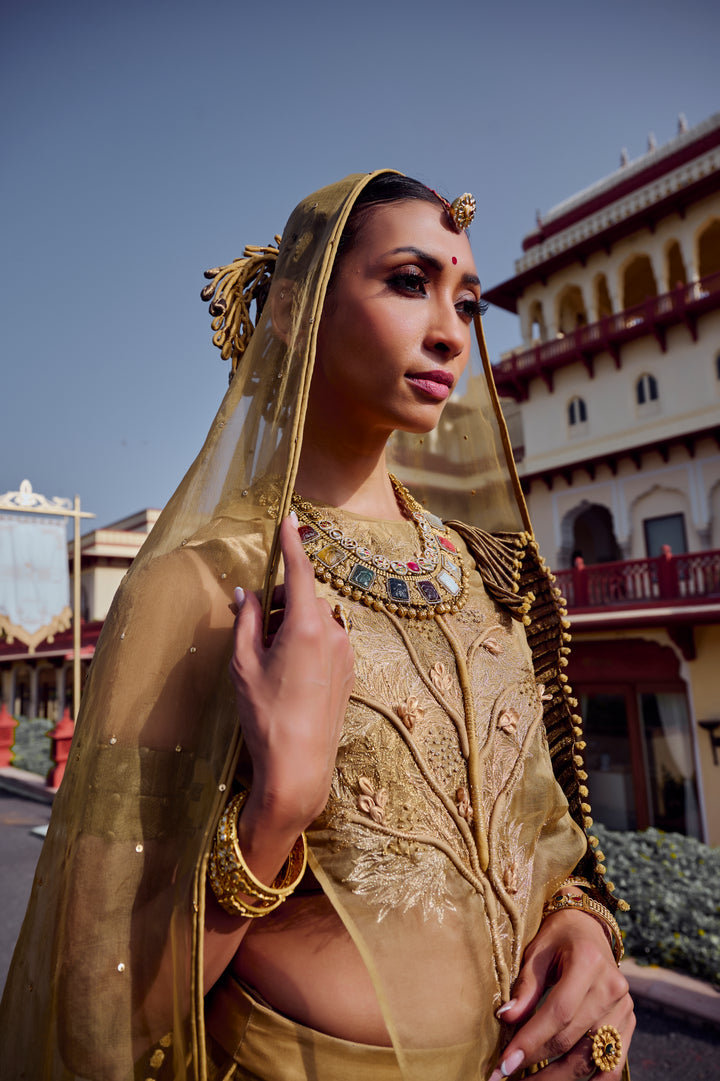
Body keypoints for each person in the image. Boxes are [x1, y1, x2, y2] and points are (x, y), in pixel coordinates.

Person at [0, 171, 634, 1081]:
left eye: (469, 301)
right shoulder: (205, 587)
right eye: (410, 283)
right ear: (294, 314)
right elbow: (99, 1010)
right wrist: (277, 811)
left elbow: (545, 838)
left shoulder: (485, 580)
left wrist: (581, 928)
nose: (453, 331)